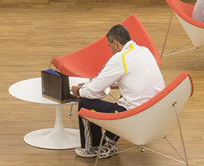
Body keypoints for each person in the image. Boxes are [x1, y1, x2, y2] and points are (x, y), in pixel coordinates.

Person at [70, 23, 165, 158]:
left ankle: (92, 148)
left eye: (110, 46)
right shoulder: (144, 51)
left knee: (85, 103)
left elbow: (92, 92)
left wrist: (79, 91)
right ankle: (109, 142)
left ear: (115, 42)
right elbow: (134, 78)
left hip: (135, 116)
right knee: (125, 96)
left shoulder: (120, 58)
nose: (111, 51)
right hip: (155, 113)